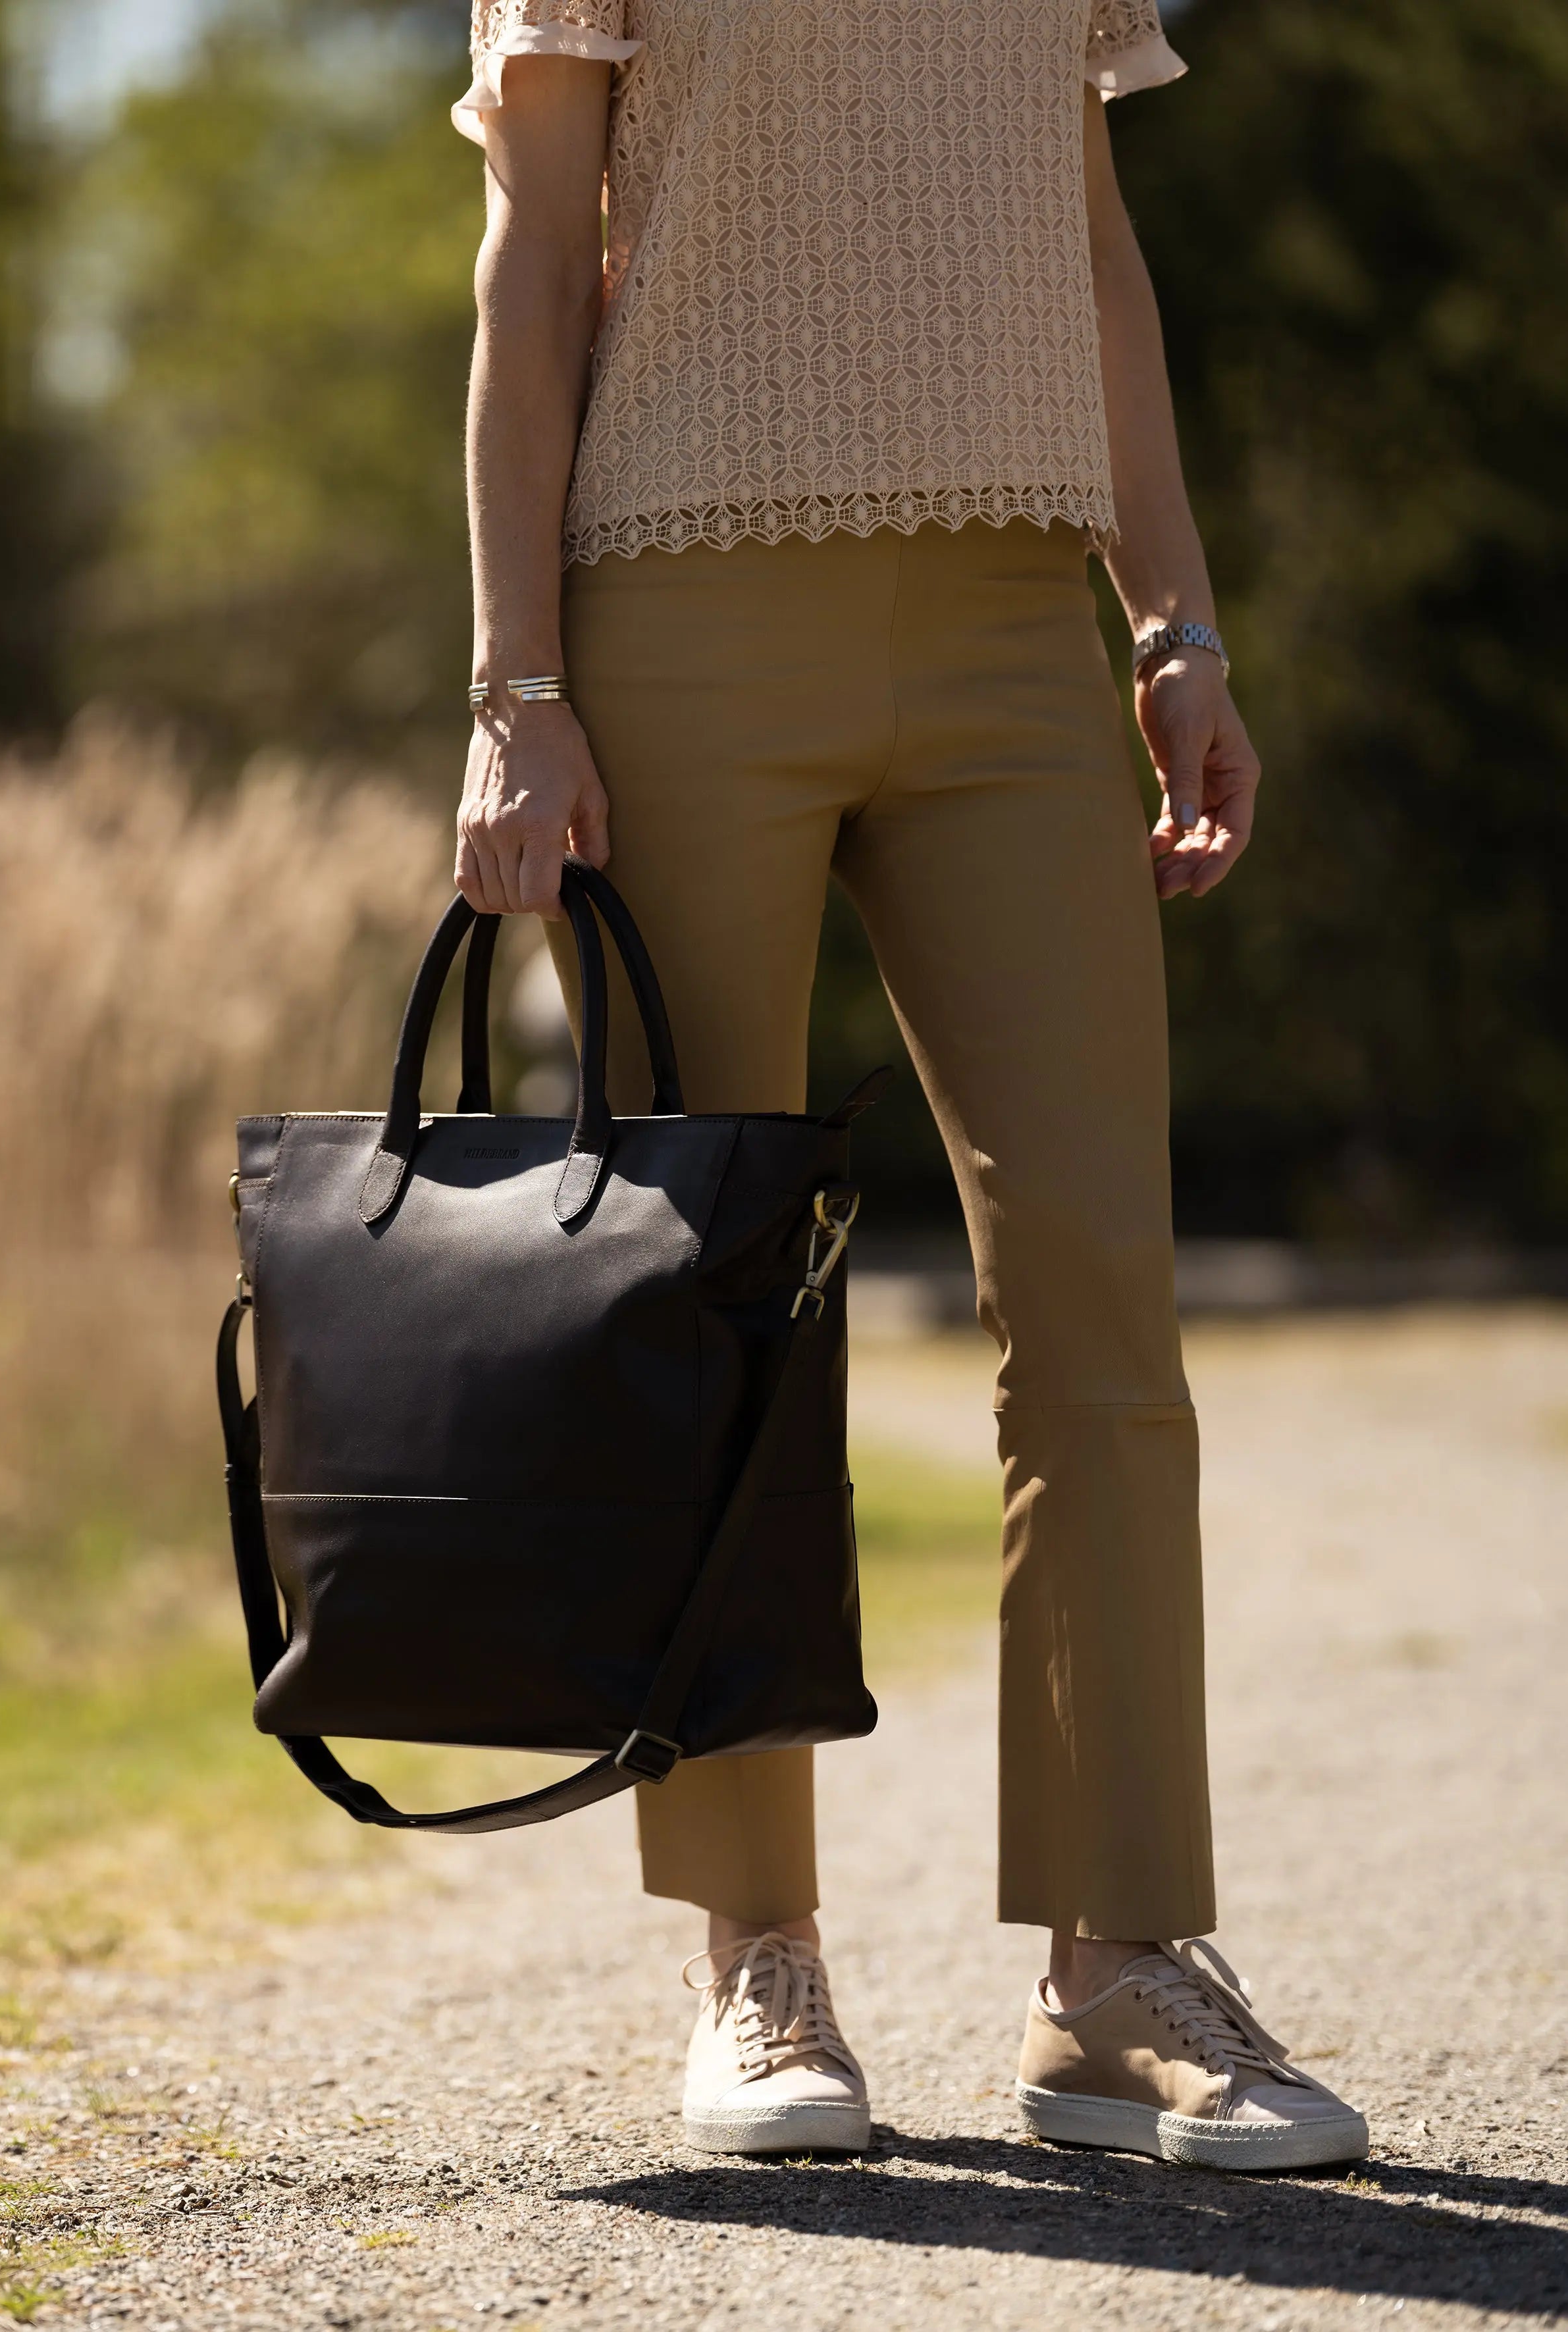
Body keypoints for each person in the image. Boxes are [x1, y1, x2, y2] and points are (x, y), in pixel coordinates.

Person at [450, 0, 1367, 2169]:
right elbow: (533, 254)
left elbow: (1090, 240)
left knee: (1099, 1305)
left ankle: (1115, 1970)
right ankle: (753, 1958)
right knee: (711, 1306)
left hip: (1012, 635)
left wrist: (1175, 628)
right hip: (673, 615)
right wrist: (514, 686)